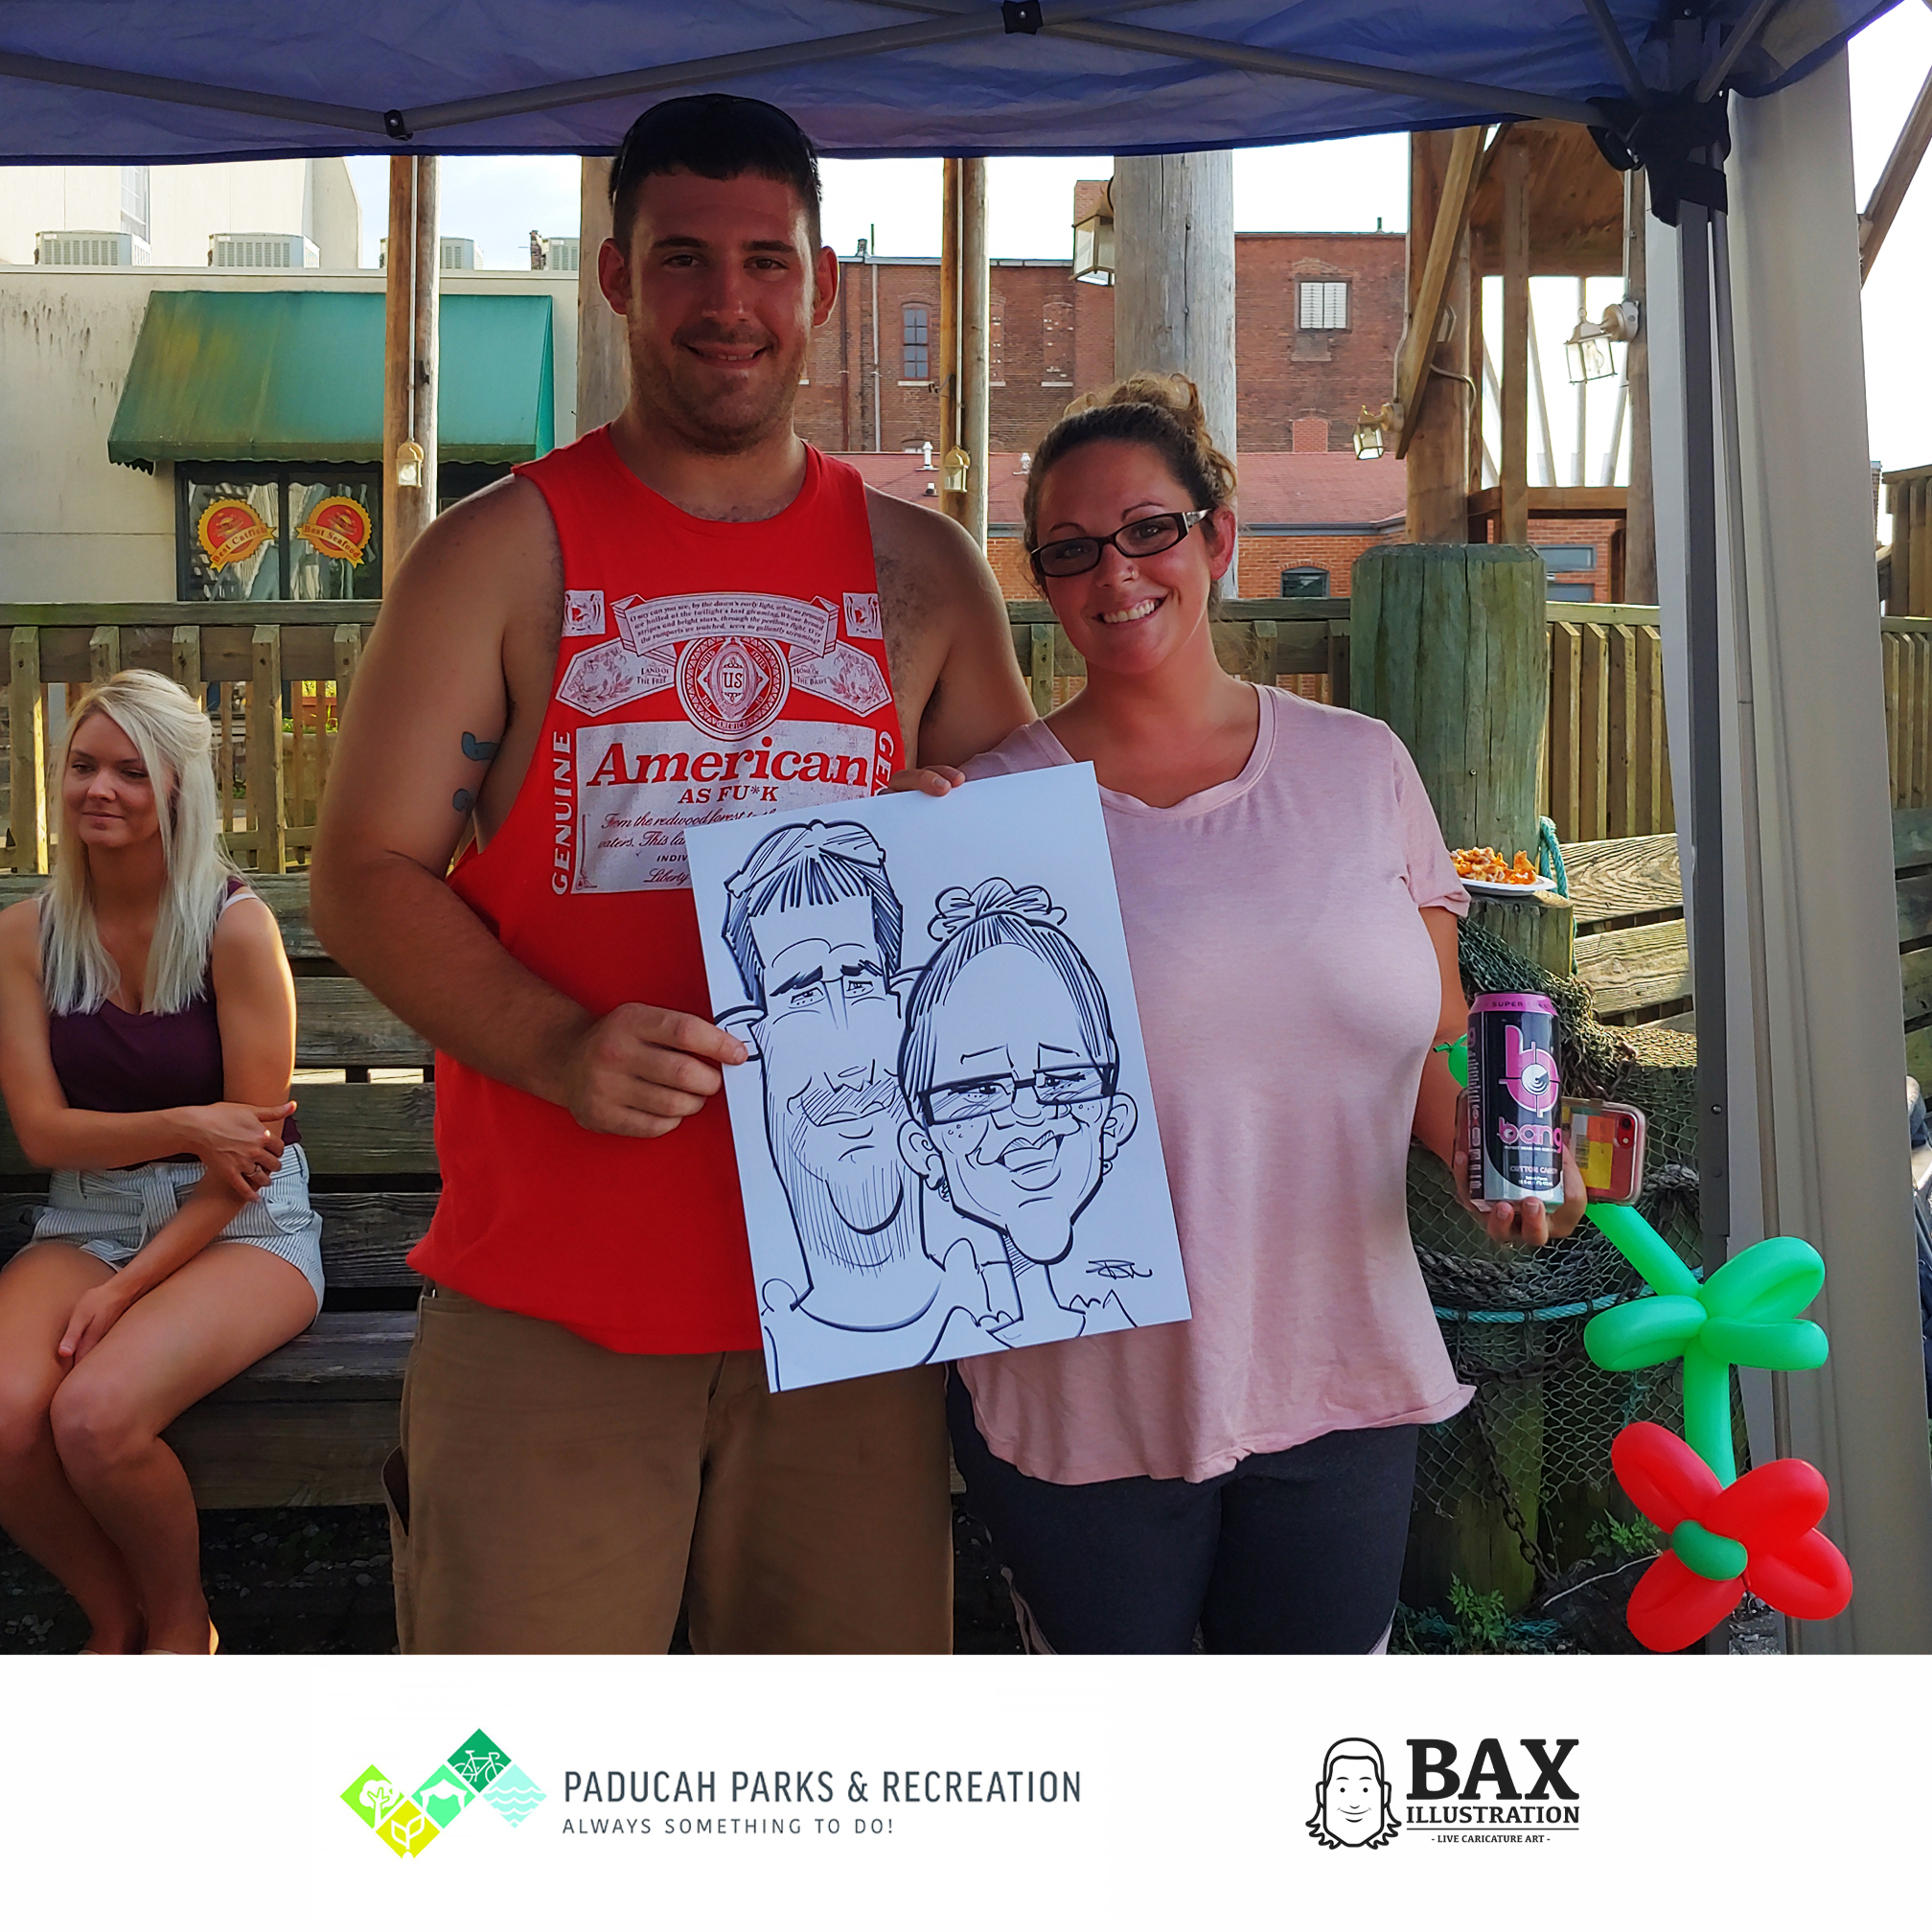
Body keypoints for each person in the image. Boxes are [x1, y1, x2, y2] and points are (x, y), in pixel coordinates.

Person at [310, 94, 1033, 1653]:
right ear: (615, 278)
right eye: (683, 258)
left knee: (837, 1775)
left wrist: (948, 834)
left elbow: (1021, 892)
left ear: (820, 285)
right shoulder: (495, 554)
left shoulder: (924, 571)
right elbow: (365, 872)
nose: (727, 302)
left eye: (765, 261)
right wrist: (559, 1046)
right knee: (513, 1771)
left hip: (862, 1300)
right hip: (552, 1298)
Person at [895, 373, 1585, 1654]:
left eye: (1149, 529)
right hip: (1085, 1395)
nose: (1116, 573)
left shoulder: (1362, 765)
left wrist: (1502, 1155)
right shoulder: (984, 818)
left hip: (1341, 1368)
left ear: (1216, 536)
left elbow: (1433, 1038)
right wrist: (896, 875)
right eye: (1071, 549)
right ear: (1042, 580)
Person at [0, 671, 321, 1655]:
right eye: (83, 766)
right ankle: (115, 1618)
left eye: (131, 772)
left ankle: (183, 1629)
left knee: (95, 1417)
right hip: (86, 1214)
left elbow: (246, 1157)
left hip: (241, 1225)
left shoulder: (234, 926)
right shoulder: (24, 937)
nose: (99, 788)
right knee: (5, 1416)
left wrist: (127, 1289)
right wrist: (190, 1121)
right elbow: (45, 1135)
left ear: (179, 788)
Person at [719, 818, 995, 1389]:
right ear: (750, 1036)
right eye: (800, 994)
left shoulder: (1000, 1303)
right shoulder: (781, 1326)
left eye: (861, 981)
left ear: (905, 1004)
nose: (851, 1072)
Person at [895, 878, 1139, 1346]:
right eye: (980, 1089)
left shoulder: (1137, 1295)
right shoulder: (942, 1332)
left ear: (1113, 1119)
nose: (1027, 1113)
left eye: (1063, 1079)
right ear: (924, 1147)